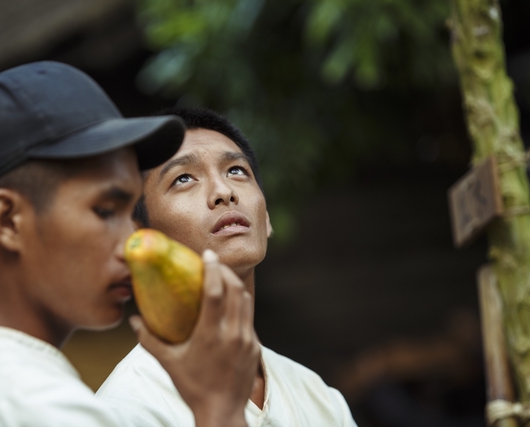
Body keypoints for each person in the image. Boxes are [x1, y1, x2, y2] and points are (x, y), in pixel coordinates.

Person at [0, 63, 259, 427]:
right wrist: (220, 409)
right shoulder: (37, 407)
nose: (131, 242)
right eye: (105, 210)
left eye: (130, 212)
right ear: (8, 221)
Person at [96, 106, 358, 426]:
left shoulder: (321, 399)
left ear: (267, 219)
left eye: (236, 171)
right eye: (183, 178)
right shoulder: (126, 410)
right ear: (140, 237)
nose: (224, 192)